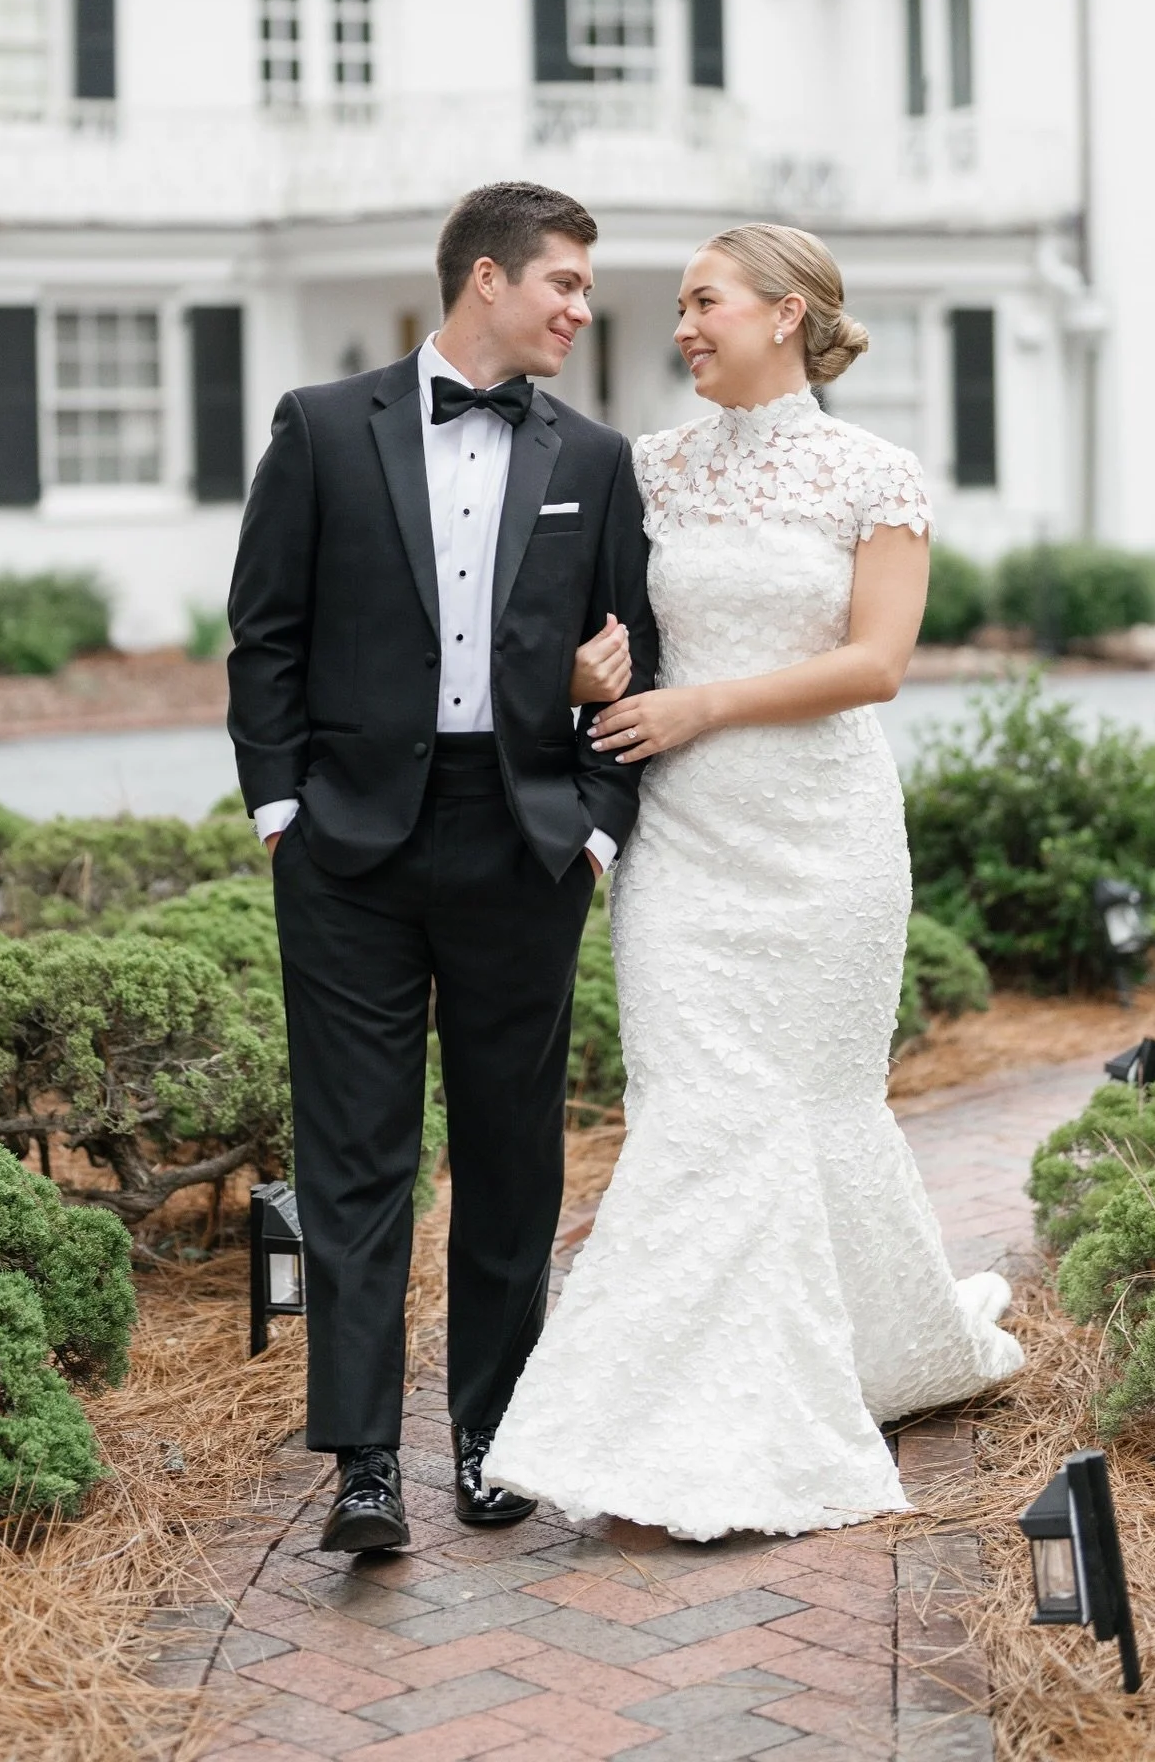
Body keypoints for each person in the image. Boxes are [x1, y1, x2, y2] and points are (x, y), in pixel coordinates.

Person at [484, 223, 1024, 1541]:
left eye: (702, 300)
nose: (678, 323)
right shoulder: (639, 470)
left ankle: (848, 1366)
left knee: (813, 1102)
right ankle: (661, 1414)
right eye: (675, 303)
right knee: (704, 1114)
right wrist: (587, 682)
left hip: (824, 838)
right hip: (679, 849)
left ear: (786, 314)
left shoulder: (873, 475)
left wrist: (699, 706)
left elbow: (877, 663)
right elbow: (576, 631)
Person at [226, 181, 658, 1553]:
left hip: (520, 844)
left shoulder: (595, 459)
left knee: (512, 1158)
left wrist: (591, 827)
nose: (582, 311)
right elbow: (265, 639)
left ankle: (491, 1436)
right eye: (566, 285)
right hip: (346, 848)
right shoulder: (319, 428)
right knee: (355, 1161)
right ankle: (362, 1463)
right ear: (488, 277)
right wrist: (281, 815)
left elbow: (635, 658)